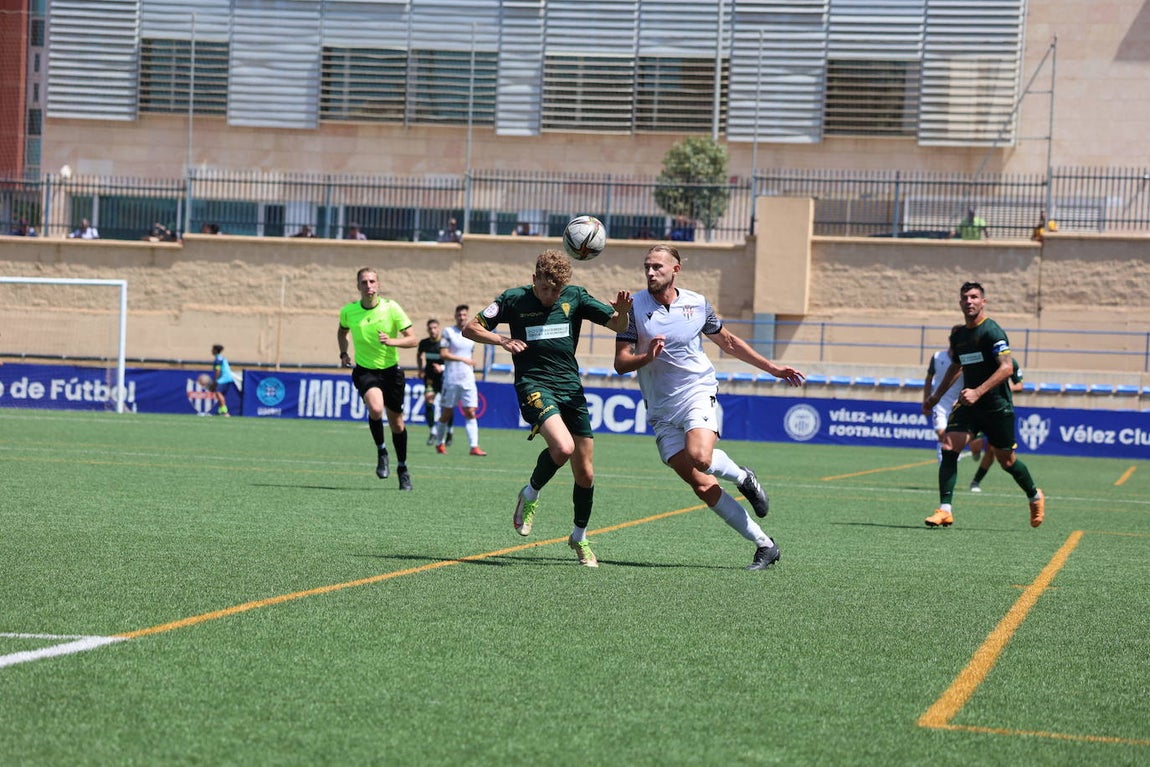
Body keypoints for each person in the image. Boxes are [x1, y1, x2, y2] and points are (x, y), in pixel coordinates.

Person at [613, 244, 806, 570]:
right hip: (660, 408)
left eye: (657, 267)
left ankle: (744, 477)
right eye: (647, 266)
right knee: (702, 485)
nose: (650, 272)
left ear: (676, 269)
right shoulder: (632, 308)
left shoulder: (698, 305)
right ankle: (765, 544)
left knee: (701, 456)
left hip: (696, 391)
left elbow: (728, 342)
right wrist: (647, 356)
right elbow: (620, 363)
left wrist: (773, 369)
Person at [464, 249, 632, 567]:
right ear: (534, 280)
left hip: (571, 389)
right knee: (563, 447)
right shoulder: (512, 299)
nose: (550, 295)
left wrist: (622, 314)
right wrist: (501, 340)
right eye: (544, 288)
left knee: (586, 473)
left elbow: (616, 324)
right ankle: (530, 494)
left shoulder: (575, 297)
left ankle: (579, 537)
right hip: (534, 385)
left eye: (555, 290)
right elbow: (470, 328)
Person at [922, 282, 1044, 528]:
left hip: (996, 406)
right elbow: (956, 368)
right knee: (948, 446)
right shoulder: (959, 336)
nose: (969, 301)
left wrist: (978, 391)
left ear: (983, 302)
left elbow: (1007, 367)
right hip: (970, 403)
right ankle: (945, 509)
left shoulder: (992, 331)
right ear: (960, 303)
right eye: (965, 297)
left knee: (1006, 461)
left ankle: (1034, 495)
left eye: (974, 297)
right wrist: (936, 396)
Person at [337, 267, 418, 491]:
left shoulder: (392, 308)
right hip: (365, 370)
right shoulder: (349, 311)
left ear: (378, 285)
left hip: (391, 372)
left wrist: (392, 341)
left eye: (372, 281)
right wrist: (344, 352)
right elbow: (342, 331)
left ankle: (403, 468)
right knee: (375, 407)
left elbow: (412, 340)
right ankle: (382, 451)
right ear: (358, 286)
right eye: (364, 282)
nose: (369, 286)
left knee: (397, 424)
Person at [433, 304, 486, 456]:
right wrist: (463, 359)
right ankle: (439, 443)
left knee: (470, 411)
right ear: (455, 316)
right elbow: (443, 354)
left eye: (464, 315)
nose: (462, 317)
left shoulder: (471, 334)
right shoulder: (448, 332)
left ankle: (474, 446)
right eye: (459, 315)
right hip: (451, 378)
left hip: (468, 379)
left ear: (467, 316)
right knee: (447, 412)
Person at [922, 331, 981, 465]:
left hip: (960, 403)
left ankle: (954, 457)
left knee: (975, 446)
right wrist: (926, 399)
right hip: (940, 403)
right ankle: (946, 467)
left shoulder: (969, 359)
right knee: (943, 435)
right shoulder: (937, 357)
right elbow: (929, 378)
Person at [968, 358, 1024, 492]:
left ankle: (975, 482)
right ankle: (975, 451)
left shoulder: (1011, 363)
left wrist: (1002, 386)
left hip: (998, 411)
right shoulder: (981, 360)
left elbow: (1020, 385)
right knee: (976, 445)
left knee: (992, 450)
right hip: (979, 408)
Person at [417, 319, 445, 445]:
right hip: (430, 379)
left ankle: (448, 432)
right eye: (430, 328)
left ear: (439, 328)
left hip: (445, 379)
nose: (433, 330)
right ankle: (433, 431)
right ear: (428, 330)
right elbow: (419, 355)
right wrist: (420, 369)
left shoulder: (444, 343)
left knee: (446, 407)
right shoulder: (424, 343)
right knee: (429, 401)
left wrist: (442, 368)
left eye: (435, 328)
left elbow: (451, 361)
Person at [210, 344, 238, 416]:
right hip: (228, 378)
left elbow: (218, 370)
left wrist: (215, 381)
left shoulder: (218, 359)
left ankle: (225, 412)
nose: (211, 351)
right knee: (220, 394)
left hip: (223, 378)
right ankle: (220, 411)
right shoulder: (222, 358)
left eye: (212, 349)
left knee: (218, 393)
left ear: (215, 350)